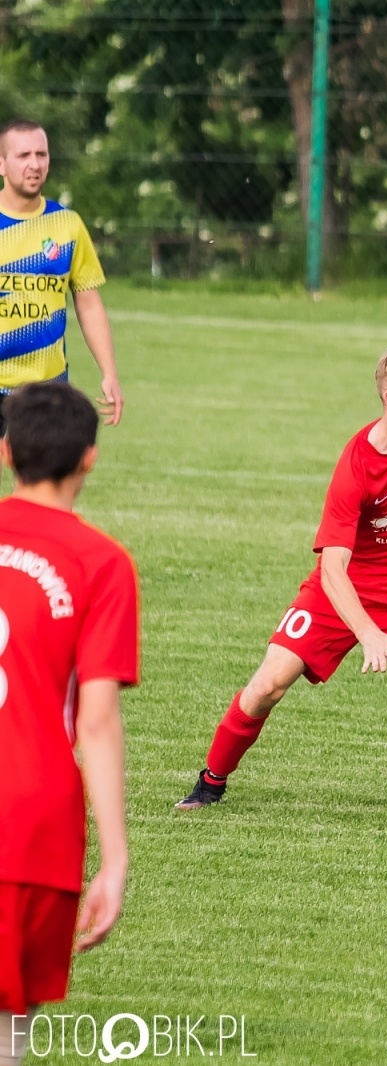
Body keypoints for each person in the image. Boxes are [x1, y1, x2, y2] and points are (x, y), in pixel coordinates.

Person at [175, 344, 387, 809]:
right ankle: (211, 783)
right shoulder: (356, 467)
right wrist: (368, 632)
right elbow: (333, 569)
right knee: (267, 686)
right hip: (342, 591)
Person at [0, 383, 139, 1066]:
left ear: (5, 453)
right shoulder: (101, 563)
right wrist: (114, 860)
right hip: (29, 826)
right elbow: (99, 718)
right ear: (89, 459)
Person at [0, 119, 124, 431]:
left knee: (46, 480)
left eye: (41, 155)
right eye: (23, 155)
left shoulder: (67, 225)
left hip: (47, 388)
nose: (34, 164)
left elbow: (88, 302)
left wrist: (109, 372)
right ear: (1, 164)